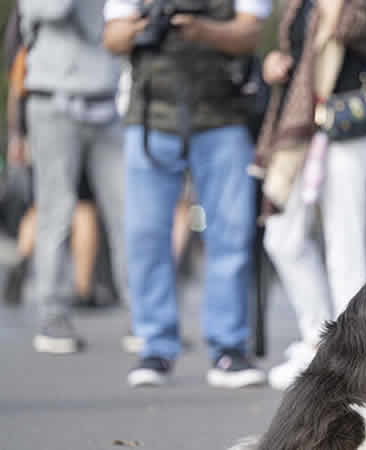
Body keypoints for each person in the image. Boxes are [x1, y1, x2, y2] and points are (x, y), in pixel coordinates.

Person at [104, 0, 271, 388]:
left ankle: (229, 347)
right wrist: (145, 27)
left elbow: (248, 34)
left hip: (224, 117)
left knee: (230, 233)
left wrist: (202, 30)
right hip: (150, 118)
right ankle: (155, 345)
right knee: (146, 235)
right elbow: (112, 37)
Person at [253, 0, 366, 391]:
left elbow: (355, 30)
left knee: (344, 240)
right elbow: (298, 52)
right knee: (281, 235)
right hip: (298, 128)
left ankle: (356, 351)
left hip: (345, 125)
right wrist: (277, 63)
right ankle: (317, 336)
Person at [19, 0, 129, 354]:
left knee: (127, 214)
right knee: (57, 212)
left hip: (108, 100)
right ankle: (53, 314)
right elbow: (51, 10)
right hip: (54, 100)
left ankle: (145, 315)